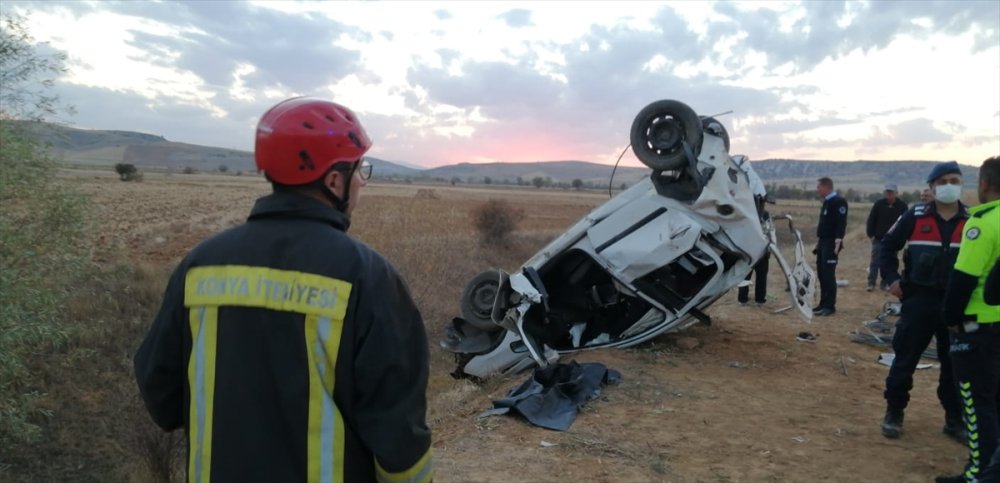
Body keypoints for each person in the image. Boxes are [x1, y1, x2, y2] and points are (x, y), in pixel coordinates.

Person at [133, 97, 433, 482]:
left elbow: (162, 398)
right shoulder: (369, 277)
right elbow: (400, 441)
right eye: (360, 169)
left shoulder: (200, 266)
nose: (362, 181)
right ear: (334, 181)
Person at [878, 161, 969, 443]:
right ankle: (894, 412)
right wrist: (892, 279)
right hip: (919, 299)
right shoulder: (914, 216)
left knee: (954, 365)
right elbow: (887, 246)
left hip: (955, 305)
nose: (949, 186)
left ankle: (954, 419)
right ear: (931, 187)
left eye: (954, 180)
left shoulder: (970, 221)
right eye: (943, 182)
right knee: (905, 359)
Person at [936, 156, 1000, 483]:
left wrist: (950, 318)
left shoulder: (983, 224)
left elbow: (963, 279)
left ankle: (978, 473)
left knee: (977, 404)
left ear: (984, 184)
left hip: (977, 329)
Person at [813, 177, 847, 316]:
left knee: (828, 274)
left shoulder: (838, 201)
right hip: (823, 242)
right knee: (821, 273)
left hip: (831, 242)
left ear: (826, 186)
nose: (817, 190)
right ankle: (823, 303)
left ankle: (830, 306)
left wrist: (838, 241)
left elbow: (841, 222)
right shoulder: (826, 202)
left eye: (819, 187)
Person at [866, 183, 908, 291]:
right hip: (879, 239)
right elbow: (871, 220)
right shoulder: (878, 204)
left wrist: (901, 238)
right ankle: (871, 283)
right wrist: (871, 235)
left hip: (893, 240)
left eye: (891, 192)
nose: (889, 194)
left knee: (890, 262)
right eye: (887, 192)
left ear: (896, 193)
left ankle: (885, 283)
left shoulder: (902, 206)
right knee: (875, 261)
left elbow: (905, 223)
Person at [739, 210, 771, 306]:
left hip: (761, 251)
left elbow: (769, 231)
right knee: (745, 276)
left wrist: (769, 249)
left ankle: (759, 299)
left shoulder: (765, 214)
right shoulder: (746, 212)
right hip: (749, 251)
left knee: (761, 276)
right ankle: (743, 299)